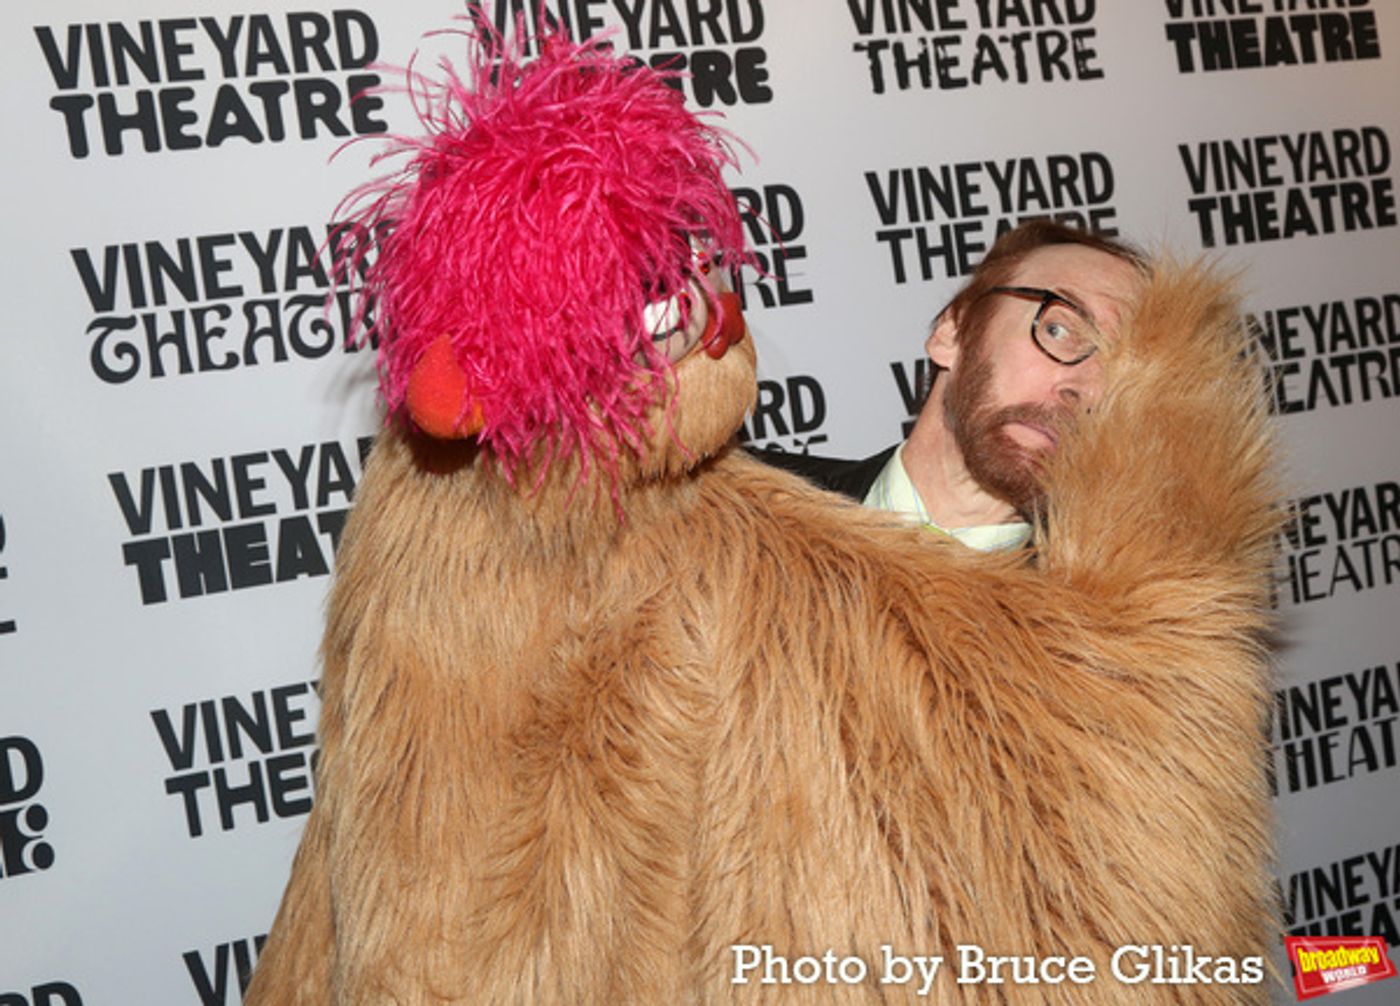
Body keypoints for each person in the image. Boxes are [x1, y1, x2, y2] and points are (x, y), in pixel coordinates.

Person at [765, 220, 1147, 550]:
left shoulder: (1108, 624)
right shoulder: (739, 505)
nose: (1086, 388)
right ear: (952, 333)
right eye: (1058, 329)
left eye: (1120, 369)